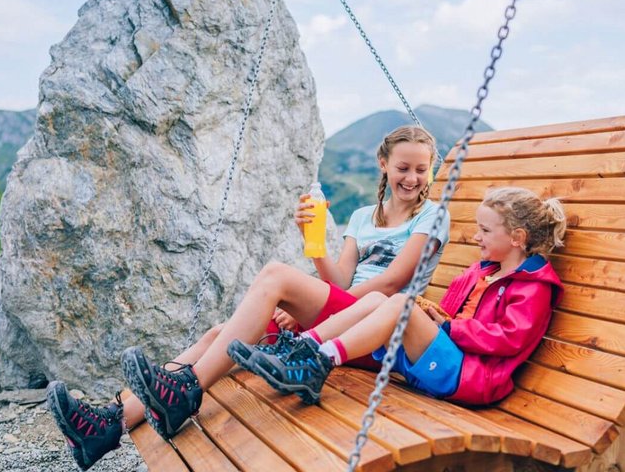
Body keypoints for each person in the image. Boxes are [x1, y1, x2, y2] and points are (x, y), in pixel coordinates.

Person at [46, 125, 450, 470]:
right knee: (220, 335)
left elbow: (392, 283)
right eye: (403, 168)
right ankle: (107, 426)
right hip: (342, 316)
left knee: (276, 276)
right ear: (384, 165)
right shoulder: (364, 217)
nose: (412, 178)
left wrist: (306, 303)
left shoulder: (433, 215)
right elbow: (341, 281)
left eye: (420, 169)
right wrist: (313, 249)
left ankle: (184, 393)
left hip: (376, 333)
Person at [229, 186, 566, 408]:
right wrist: (434, 315)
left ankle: (321, 362)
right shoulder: (480, 272)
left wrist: (447, 328)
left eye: (486, 231)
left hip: (471, 377)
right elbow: (448, 316)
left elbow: (509, 338)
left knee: (400, 303)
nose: (476, 236)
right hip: (448, 360)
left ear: (518, 238)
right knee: (379, 300)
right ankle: (305, 350)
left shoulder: (532, 286)